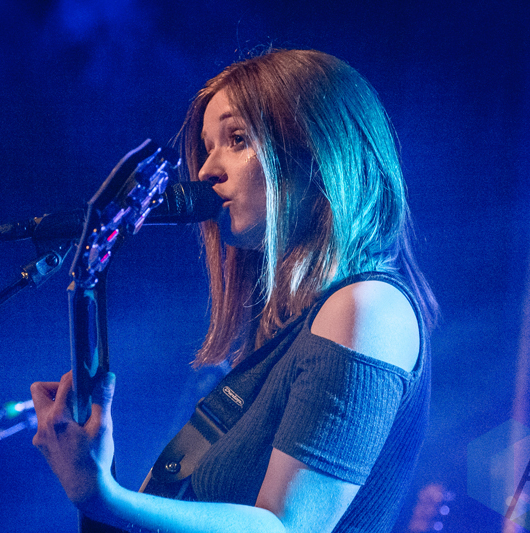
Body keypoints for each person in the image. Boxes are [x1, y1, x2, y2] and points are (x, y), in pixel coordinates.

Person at [30, 49, 437, 533]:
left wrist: (105, 497)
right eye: (207, 147)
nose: (205, 170)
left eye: (238, 139)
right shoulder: (274, 346)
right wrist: (95, 481)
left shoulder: (371, 306)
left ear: (318, 151)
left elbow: (288, 527)